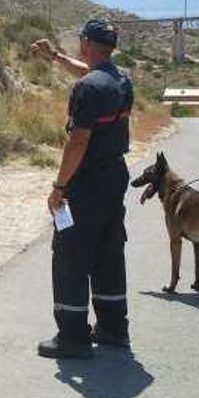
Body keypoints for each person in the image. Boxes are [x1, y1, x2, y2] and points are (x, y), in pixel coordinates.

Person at [30, 20, 134, 358]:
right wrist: (56, 57)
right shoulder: (120, 79)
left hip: (85, 183)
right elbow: (91, 73)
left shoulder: (87, 89)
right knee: (108, 252)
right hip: (114, 176)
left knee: (70, 256)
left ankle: (73, 336)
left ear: (86, 43)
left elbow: (77, 141)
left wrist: (59, 188)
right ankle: (114, 328)